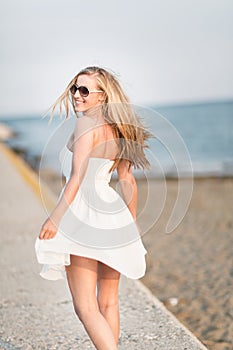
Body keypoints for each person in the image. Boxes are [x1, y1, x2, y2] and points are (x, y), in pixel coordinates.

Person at [35, 66, 151, 349]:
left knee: (86, 307)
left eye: (85, 90)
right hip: (113, 215)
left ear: (102, 96)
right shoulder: (122, 130)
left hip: (82, 215)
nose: (77, 95)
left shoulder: (86, 124)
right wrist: (131, 222)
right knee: (108, 302)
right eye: (75, 88)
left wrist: (55, 219)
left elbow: (76, 178)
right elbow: (127, 181)